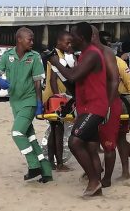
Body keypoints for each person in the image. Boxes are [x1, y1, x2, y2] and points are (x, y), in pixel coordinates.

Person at [49, 22, 108, 197]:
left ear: (81, 38)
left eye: (72, 37)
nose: (70, 40)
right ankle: (96, 185)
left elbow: (73, 75)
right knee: (90, 147)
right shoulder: (83, 55)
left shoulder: (92, 54)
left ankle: (94, 181)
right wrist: (61, 71)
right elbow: (75, 82)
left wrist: (56, 63)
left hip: (95, 107)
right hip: (85, 106)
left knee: (74, 142)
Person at [0, 27, 52, 183]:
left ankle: (34, 166)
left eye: (32, 39)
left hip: (30, 101)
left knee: (17, 133)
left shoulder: (35, 57)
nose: (32, 42)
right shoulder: (7, 56)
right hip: (15, 102)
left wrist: (38, 103)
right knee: (30, 136)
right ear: (19, 39)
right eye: (29, 39)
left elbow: (38, 82)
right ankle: (46, 172)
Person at [99, 30, 130, 181]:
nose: (109, 45)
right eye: (105, 42)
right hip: (104, 106)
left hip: (122, 105)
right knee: (115, 139)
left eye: (109, 42)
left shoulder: (118, 62)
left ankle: (127, 171)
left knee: (119, 139)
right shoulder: (96, 61)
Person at [91, 26, 121, 188]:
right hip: (92, 103)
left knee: (109, 144)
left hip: (108, 103)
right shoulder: (86, 54)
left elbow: (115, 80)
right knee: (90, 142)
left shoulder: (107, 53)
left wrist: (107, 105)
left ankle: (107, 178)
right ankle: (95, 172)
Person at [42, 31, 73, 172]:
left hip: (54, 97)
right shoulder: (55, 57)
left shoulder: (59, 55)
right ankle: (59, 163)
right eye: (67, 43)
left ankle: (51, 162)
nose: (69, 45)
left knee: (54, 130)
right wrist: (58, 99)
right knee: (58, 130)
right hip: (54, 98)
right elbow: (52, 80)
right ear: (59, 42)